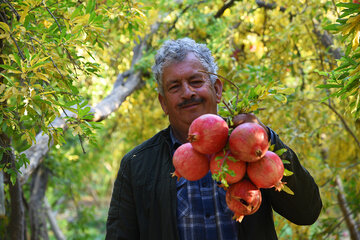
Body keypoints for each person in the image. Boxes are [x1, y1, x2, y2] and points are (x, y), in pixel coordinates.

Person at [105, 38, 322, 240]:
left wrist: (265, 140)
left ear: (217, 89)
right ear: (163, 103)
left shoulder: (252, 146)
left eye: (196, 81)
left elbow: (307, 212)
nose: (187, 92)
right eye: (175, 86)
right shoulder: (136, 165)